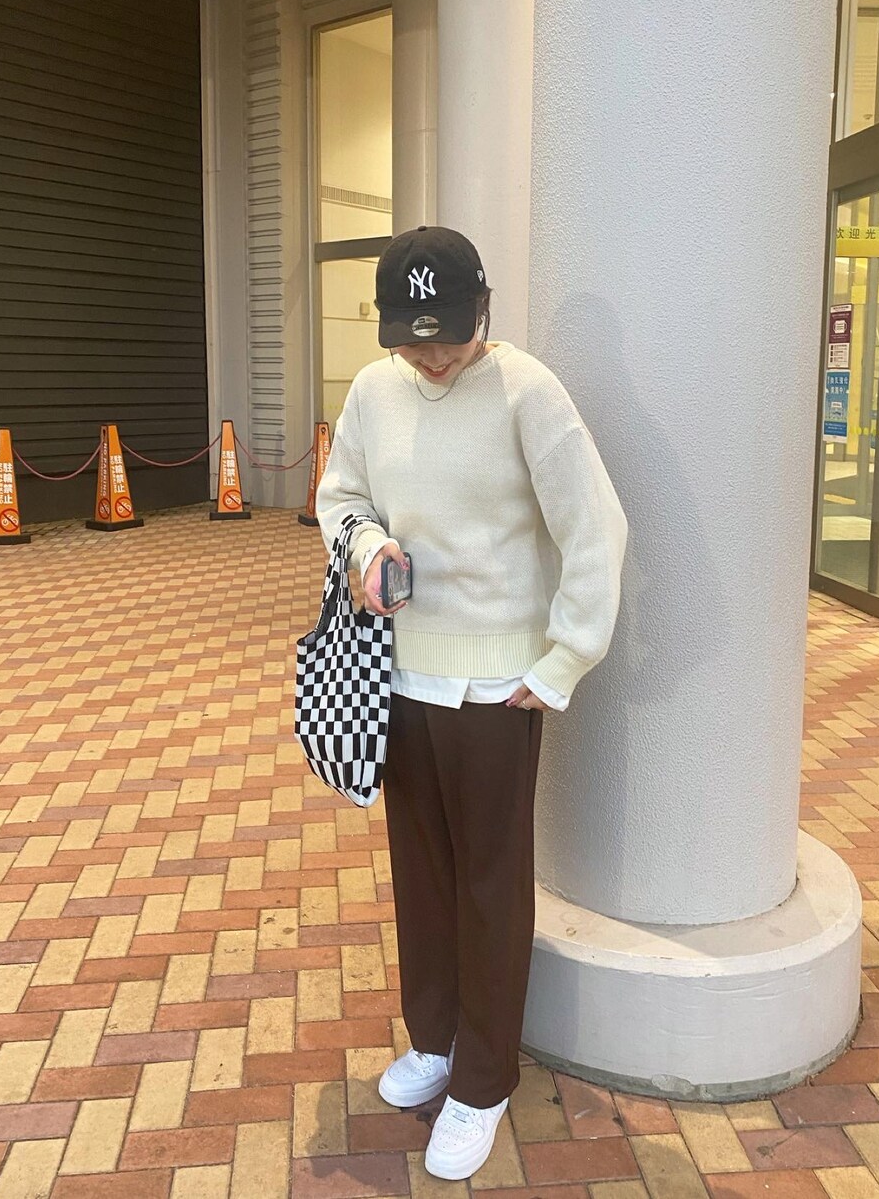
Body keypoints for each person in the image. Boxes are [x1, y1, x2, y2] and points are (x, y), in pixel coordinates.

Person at [316, 225, 627, 1182]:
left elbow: (595, 526)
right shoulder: (373, 392)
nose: (431, 357)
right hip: (398, 674)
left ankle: (484, 1082)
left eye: (447, 336)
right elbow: (340, 495)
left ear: (480, 310)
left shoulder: (528, 391)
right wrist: (366, 548)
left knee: (491, 885)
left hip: (497, 688)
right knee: (422, 873)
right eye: (412, 341)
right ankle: (436, 1039)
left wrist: (565, 657)